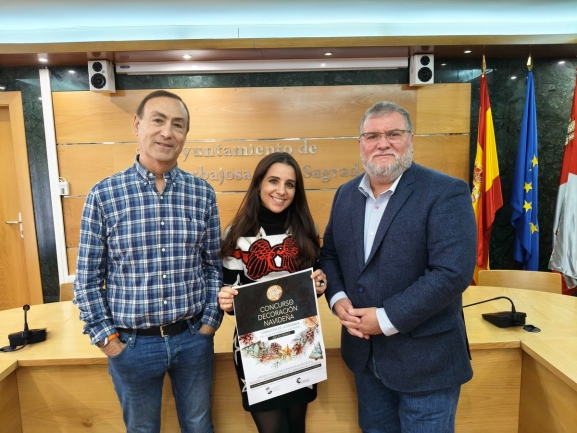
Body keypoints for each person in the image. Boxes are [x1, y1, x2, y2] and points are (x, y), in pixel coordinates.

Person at [320, 101, 476, 433]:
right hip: (365, 358)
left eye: (393, 134)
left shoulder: (446, 192)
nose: (383, 143)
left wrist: (385, 318)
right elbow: (329, 255)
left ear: (410, 139)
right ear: (360, 143)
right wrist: (338, 298)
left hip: (427, 365)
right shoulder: (345, 195)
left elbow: (452, 273)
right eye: (372, 136)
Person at [74, 90, 223, 433]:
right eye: (158, 120)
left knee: (199, 426)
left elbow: (213, 265)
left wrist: (208, 325)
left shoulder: (202, 193)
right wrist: (109, 342)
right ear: (137, 125)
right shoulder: (104, 195)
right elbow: (87, 280)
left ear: (185, 134)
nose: (167, 132)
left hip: (193, 339)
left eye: (178, 125)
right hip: (132, 345)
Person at [217, 152, 327, 433]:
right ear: (258, 184)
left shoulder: (306, 229)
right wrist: (226, 299)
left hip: (300, 343)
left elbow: (312, 286)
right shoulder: (237, 234)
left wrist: (319, 284)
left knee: (296, 426)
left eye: (290, 184)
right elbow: (229, 293)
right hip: (255, 349)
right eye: (273, 181)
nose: (281, 190)